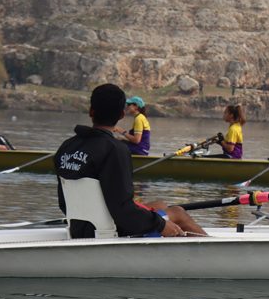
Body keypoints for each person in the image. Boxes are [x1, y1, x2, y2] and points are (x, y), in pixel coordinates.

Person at [54, 84, 206, 239]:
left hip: (80, 225)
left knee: (160, 205)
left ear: (91, 111)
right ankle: (214, 251)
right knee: (178, 213)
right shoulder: (115, 150)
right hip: (107, 228)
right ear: (121, 115)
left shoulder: (67, 146)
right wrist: (160, 225)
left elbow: (63, 203)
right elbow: (122, 210)